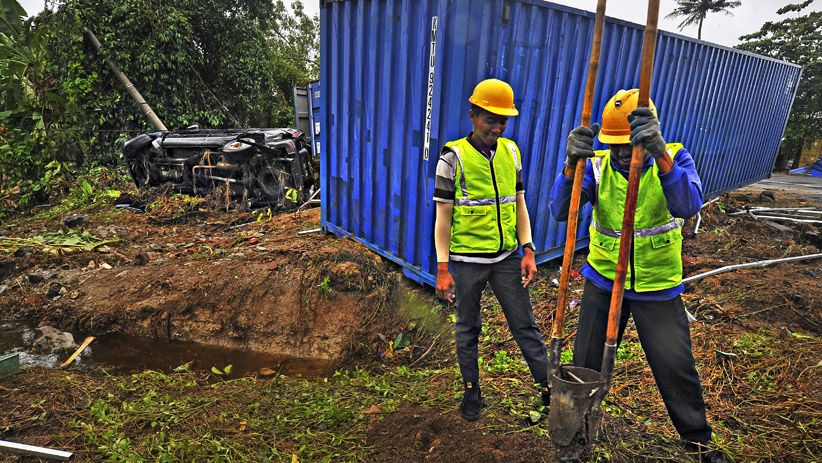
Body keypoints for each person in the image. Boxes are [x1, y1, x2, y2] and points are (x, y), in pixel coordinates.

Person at [549, 89, 728, 463]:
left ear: (648, 137)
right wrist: (570, 166)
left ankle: (698, 443)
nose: (620, 154)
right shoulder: (596, 166)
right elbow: (559, 210)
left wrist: (660, 155)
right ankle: (576, 443)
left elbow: (688, 204)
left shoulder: (674, 157)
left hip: (657, 288)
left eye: (628, 146)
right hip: (603, 281)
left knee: (675, 366)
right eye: (614, 146)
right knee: (585, 365)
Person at [433, 78, 550, 422]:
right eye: (490, 119)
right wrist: (442, 268)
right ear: (473, 115)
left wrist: (528, 249)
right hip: (467, 262)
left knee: (525, 325)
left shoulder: (512, 152)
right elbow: (443, 219)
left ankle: (548, 388)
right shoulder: (452, 159)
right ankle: (472, 391)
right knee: (468, 328)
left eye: (503, 121)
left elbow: (520, 204)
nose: (497, 127)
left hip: (506, 259)